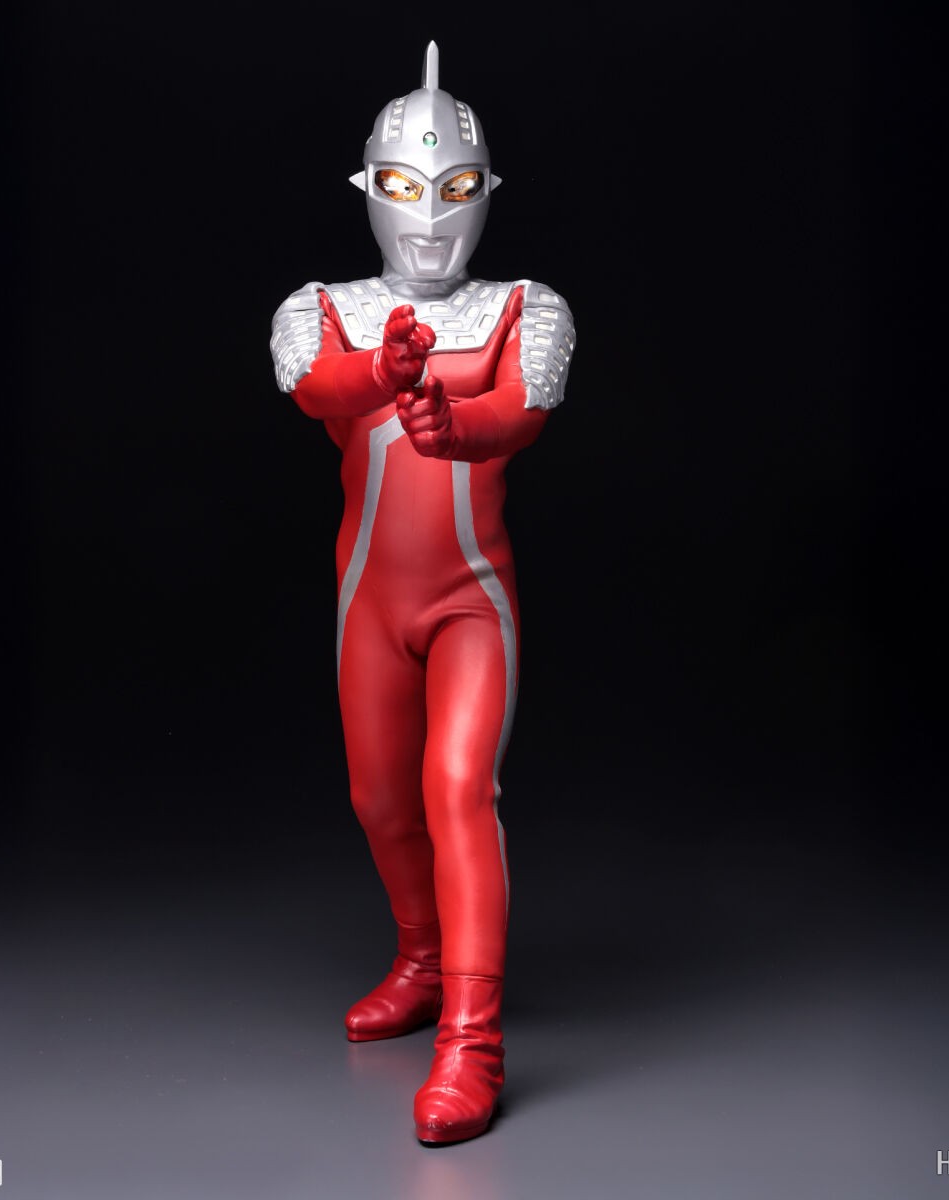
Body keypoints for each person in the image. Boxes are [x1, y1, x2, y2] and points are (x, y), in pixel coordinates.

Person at [269, 42, 574, 1145]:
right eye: (406, 187)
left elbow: (517, 414)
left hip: (468, 605)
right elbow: (316, 390)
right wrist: (383, 375)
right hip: (369, 604)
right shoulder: (322, 306)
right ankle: (423, 958)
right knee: (381, 801)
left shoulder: (528, 306)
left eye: (455, 188)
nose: (431, 216)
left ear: (486, 191)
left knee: (457, 788)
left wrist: (452, 422)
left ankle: (473, 1042)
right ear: (370, 189)